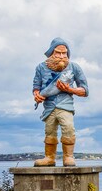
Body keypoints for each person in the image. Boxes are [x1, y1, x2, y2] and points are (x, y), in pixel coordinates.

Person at [33, 38, 89, 167]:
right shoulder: (41, 67)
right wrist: (36, 95)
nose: (62, 56)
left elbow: (85, 90)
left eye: (65, 53)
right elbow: (36, 86)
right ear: (51, 52)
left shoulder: (74, 67)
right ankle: (49, 157)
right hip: (49, 106)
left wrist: (70, 89)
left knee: (68, 128)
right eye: (58, 53)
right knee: (49, 131)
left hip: (66, 106)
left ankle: (68, 157)